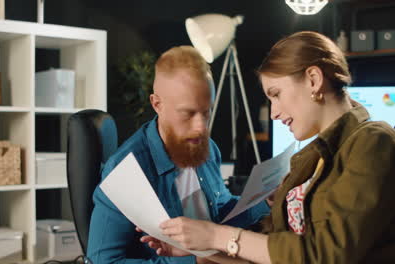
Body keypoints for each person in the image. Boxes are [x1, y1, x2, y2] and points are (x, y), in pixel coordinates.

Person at [142, 31, 395, 264]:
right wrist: (199, 249)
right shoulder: (313, 157)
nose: (273, 113)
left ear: (313, 80)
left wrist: (216, 235)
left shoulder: (375, 142)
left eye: (276, 95)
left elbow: (324, 254)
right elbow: (275, 252)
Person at [87, 46, 271, 263]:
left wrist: (265, 201)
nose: (201, 127)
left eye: (206, 112)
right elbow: (101, 260)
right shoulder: (124, 171)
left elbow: (219, 214)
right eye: (188, 113)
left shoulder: (207, 148)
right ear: (157, 104)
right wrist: (192, 261)